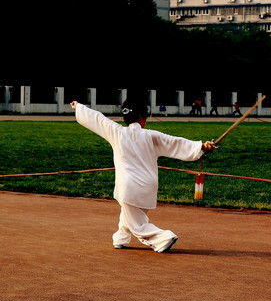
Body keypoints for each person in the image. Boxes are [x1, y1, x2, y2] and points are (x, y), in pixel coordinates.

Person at [70, 98, 216, 253]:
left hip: (128, 187)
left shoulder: (116, 132)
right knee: (130, 215)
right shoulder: (150, 136)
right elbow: (176, 143)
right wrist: (200, 146)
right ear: (141, 117)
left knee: (138, 225)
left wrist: (78, 107)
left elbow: (97, 119)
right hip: (148, 186)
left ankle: (164, 237)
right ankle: (121, 237)